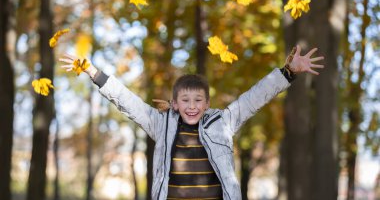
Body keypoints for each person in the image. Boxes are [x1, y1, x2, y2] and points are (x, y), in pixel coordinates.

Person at [59, 45, 324, 200]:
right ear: (174, 103)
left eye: (198, 100)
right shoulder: (160, 124)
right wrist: (94, 72)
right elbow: (127, 101)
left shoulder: (223, 121)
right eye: (185, 100)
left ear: (207, 104)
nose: (192, 106)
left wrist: (287, 73)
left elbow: (254, 98)